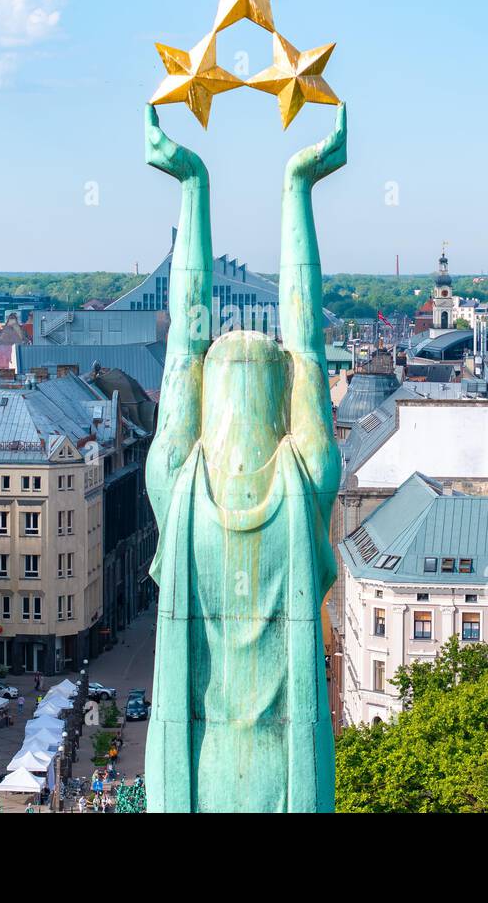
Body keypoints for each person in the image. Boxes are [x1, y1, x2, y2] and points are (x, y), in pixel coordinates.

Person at [142, 104, 345, 813]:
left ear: (205, 400)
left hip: (194, 774)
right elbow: (309, 336)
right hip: (284, 778)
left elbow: (181, 339)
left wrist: (191, 184)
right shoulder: (304, 479)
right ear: (281, 403)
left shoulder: (179, 484)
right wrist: (299, 185)